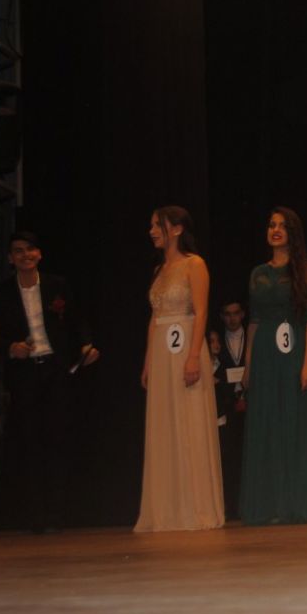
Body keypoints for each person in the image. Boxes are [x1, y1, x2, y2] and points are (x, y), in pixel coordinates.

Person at [0, 230, 99, 533]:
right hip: (24, 374)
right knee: (29, 442)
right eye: (19, 251)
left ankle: (57, 513)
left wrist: (86, 344)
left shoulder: (56, 285)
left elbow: (78, 319)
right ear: (10, 258)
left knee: (58, 439)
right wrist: (11, 347)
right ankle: (34, 515)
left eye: (30, 249)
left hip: (56, 370)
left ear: (39, 254)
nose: (26, 255)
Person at [240, 207, 307, 524]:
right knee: (270, 425)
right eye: (271, 225)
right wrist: (248, 364)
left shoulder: (306, 271)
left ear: (292, 233)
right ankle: (272, 504)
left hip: (296, 352)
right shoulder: (258, 273)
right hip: (266, 356)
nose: (275, 230)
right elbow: (254, 322)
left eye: (282, 226)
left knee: (300, 425)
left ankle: (302, 502)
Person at [135, 206, 225, 531]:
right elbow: (154, 318)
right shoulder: (160, 269)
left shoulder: (194, 264)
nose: (151, 231)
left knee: (190, 422)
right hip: (162, 353)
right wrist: (148, 360)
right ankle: (166, 508)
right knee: (164, 425)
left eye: (156, 225)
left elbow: (201, 312)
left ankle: (196, 507)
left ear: (176, 229)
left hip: (187, 345)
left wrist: (193, 356)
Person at [213, 298, 247, 518]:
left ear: (242, 314)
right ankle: (231, 508)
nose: (232, 318)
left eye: (236, 313)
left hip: (251, 404)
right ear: (222, 317)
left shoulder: (252, 338)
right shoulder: (216, 342)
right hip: (227, 407)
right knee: (229, 459)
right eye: (227, 314)